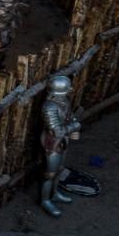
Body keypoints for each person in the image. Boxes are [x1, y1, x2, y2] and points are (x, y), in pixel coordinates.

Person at [40, 75, 81, 218]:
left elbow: (70, 116)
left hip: (63, 141)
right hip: (52, 143)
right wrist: (74, 126)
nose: (70, 89)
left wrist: (74, 123)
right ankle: (45, 200)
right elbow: (56, 131)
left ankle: (55, 193)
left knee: (60, 169)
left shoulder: (63, 101)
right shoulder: (49, 107)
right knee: (50, 174)